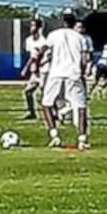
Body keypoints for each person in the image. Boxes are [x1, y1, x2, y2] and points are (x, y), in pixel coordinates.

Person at [41, 10, 89, 150]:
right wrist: (82, 74)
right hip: (74, 73)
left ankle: (54, 134)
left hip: (56, 73)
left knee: (46, 103)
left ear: (62, 22)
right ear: (74, 23)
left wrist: (38, 63)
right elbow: (84, 59)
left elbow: (44, 50)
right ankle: (82, 138)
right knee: (80, 106)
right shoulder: (80, 38)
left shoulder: (53, 35)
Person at [21, 19, 47, 120]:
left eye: (33, 26)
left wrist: (37, 66)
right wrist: (26, 68)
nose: (31, 28)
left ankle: (54, 113)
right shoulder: (29, 40)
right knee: (28, 91)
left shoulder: (43, 41)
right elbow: (32, 57)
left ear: (39, 28)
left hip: (43, 70)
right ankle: (32, 112)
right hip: (35, 71)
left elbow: (41, 56)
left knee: (45, 93)